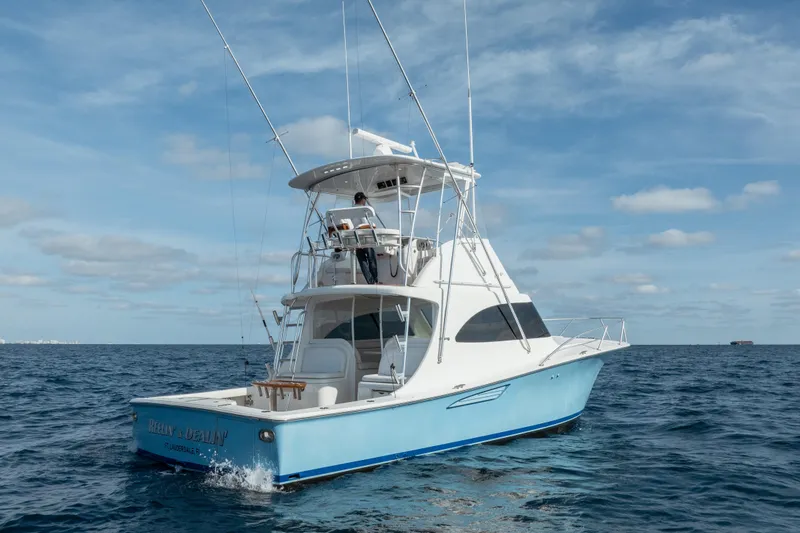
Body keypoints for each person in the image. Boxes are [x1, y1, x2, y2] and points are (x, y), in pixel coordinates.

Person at [353, 192, 379, 284]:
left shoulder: (350, 210)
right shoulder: (361, 210)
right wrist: (373, 226)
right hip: (364, 238)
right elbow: (365, 224)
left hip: (354, 240)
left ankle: (370, 282)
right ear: (362, 200)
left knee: (362, 261)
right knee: (371, 258)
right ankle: (375, 280)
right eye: (365, 199)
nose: (365, 201)